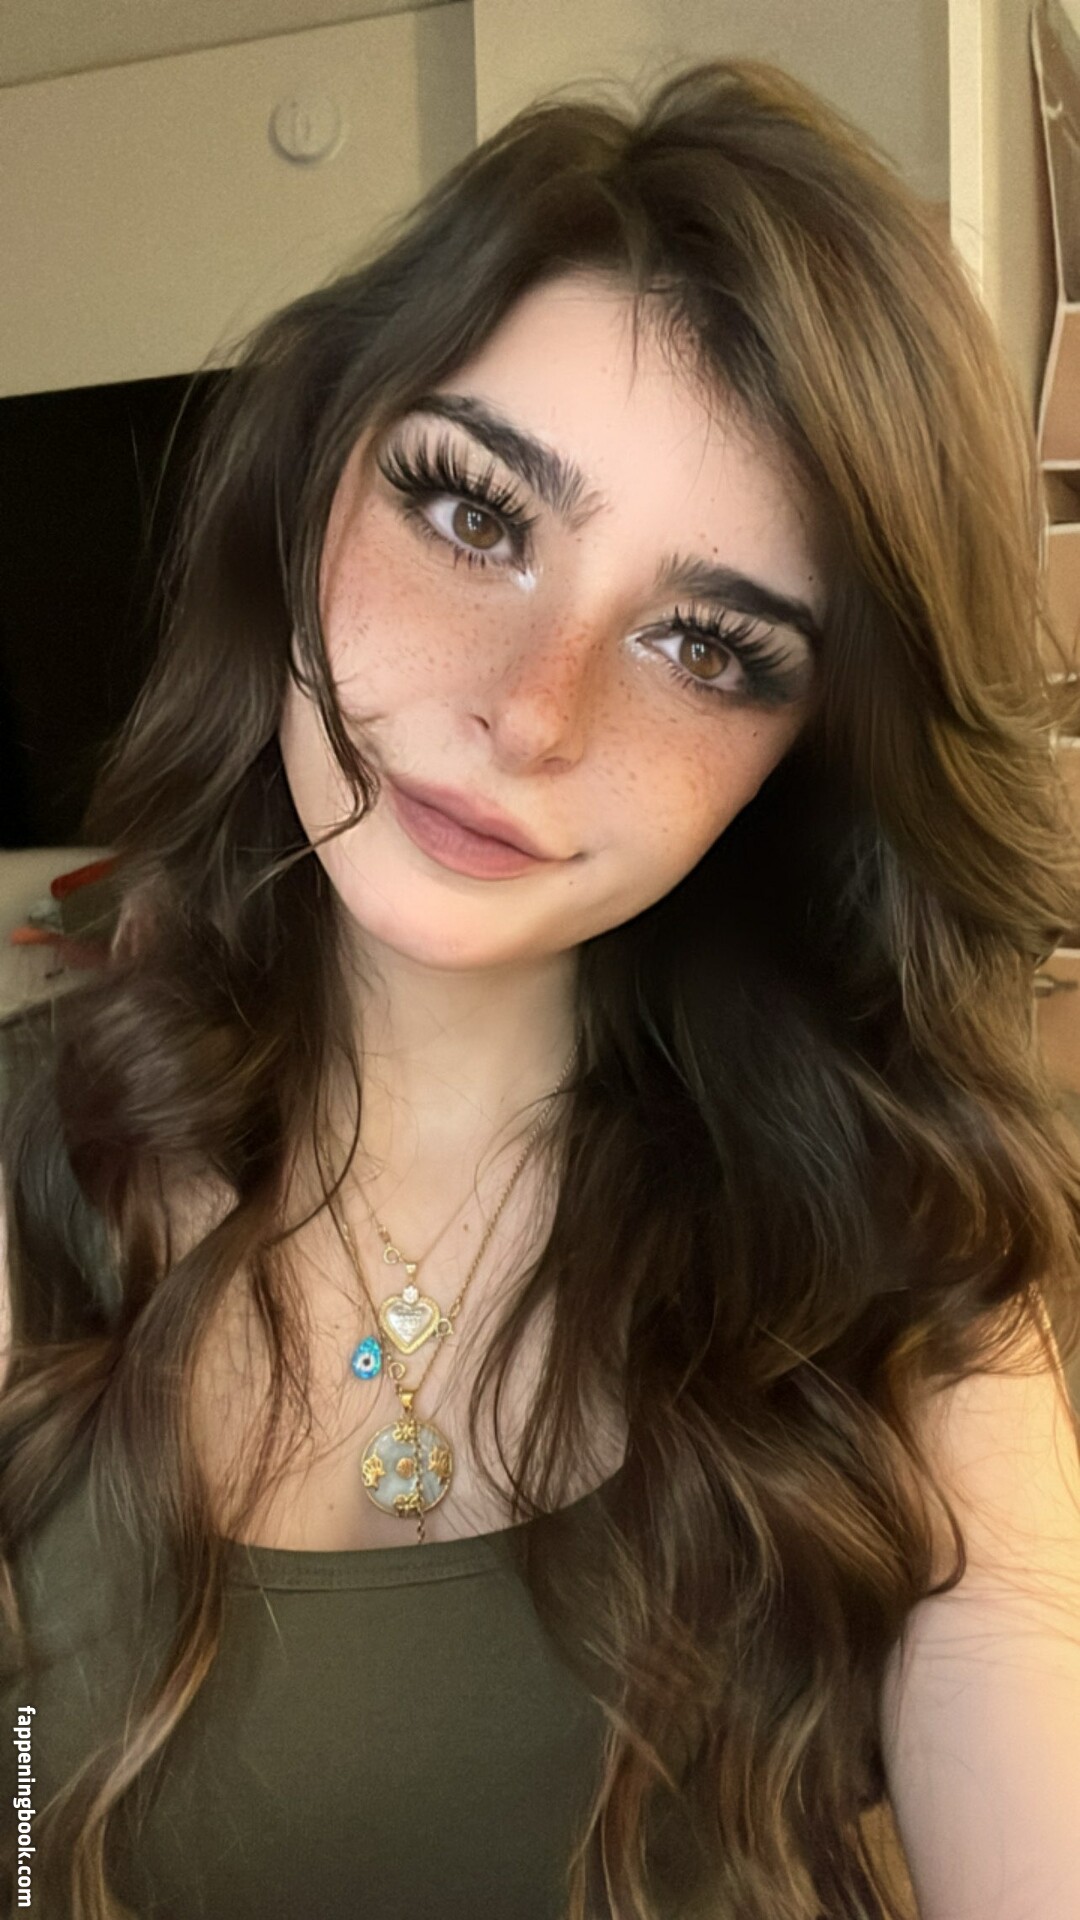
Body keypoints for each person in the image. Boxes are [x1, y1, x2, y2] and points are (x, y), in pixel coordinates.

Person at [1, 53, 1080, 1920]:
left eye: (709, 643)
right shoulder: (28, 1156)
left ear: (801, 756)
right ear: (310, 488)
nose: (533, 711)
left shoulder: (895, 1244)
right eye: (476, 514)